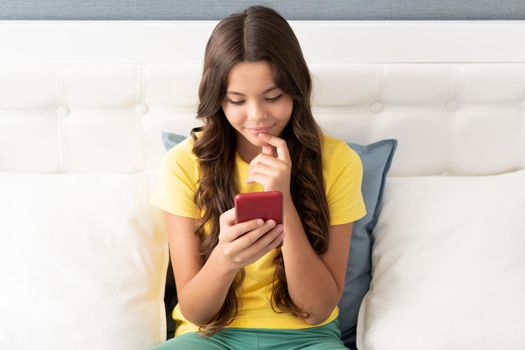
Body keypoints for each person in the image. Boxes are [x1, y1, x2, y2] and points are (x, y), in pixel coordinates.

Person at [150, 5, 366, 350]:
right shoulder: (183, 164)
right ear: (217, 99)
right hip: (209, 337)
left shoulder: (338, 162)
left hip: (307, 338)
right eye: (236, 100)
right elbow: (195, 310)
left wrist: (285, 204)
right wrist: (225, 258)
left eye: (273, 97)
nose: (257, 117)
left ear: (296, 90)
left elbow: (318, 307)